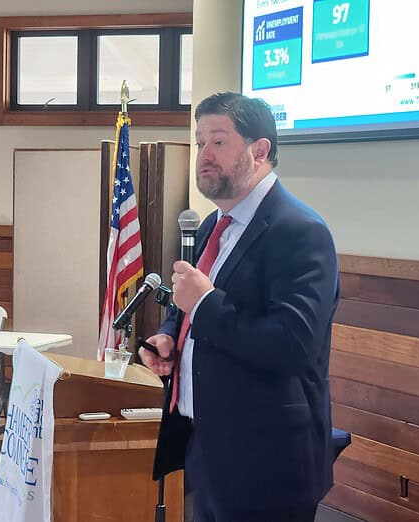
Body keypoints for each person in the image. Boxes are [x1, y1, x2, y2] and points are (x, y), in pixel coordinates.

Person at [139, 91, 340, 522]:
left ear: (260, 150)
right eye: (199, 142)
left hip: (267, 460)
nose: (204, 155)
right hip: (209, 445)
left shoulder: (300, 232)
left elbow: (291, 343)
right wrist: (169, 336)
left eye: (219, 141)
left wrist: (206, 303)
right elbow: (189, 302)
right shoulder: (213, 223)